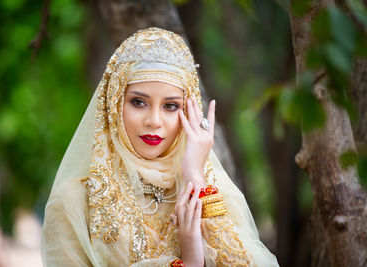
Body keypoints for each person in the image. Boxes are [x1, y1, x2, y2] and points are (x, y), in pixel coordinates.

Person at [41, 27, 279, 267]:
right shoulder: (74, 200)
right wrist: (188, 263)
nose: (154, 121)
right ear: (113, 103)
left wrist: (195, 178)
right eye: (139, 102)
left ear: (187, 112)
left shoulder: (208, 187)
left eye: (171, 106)